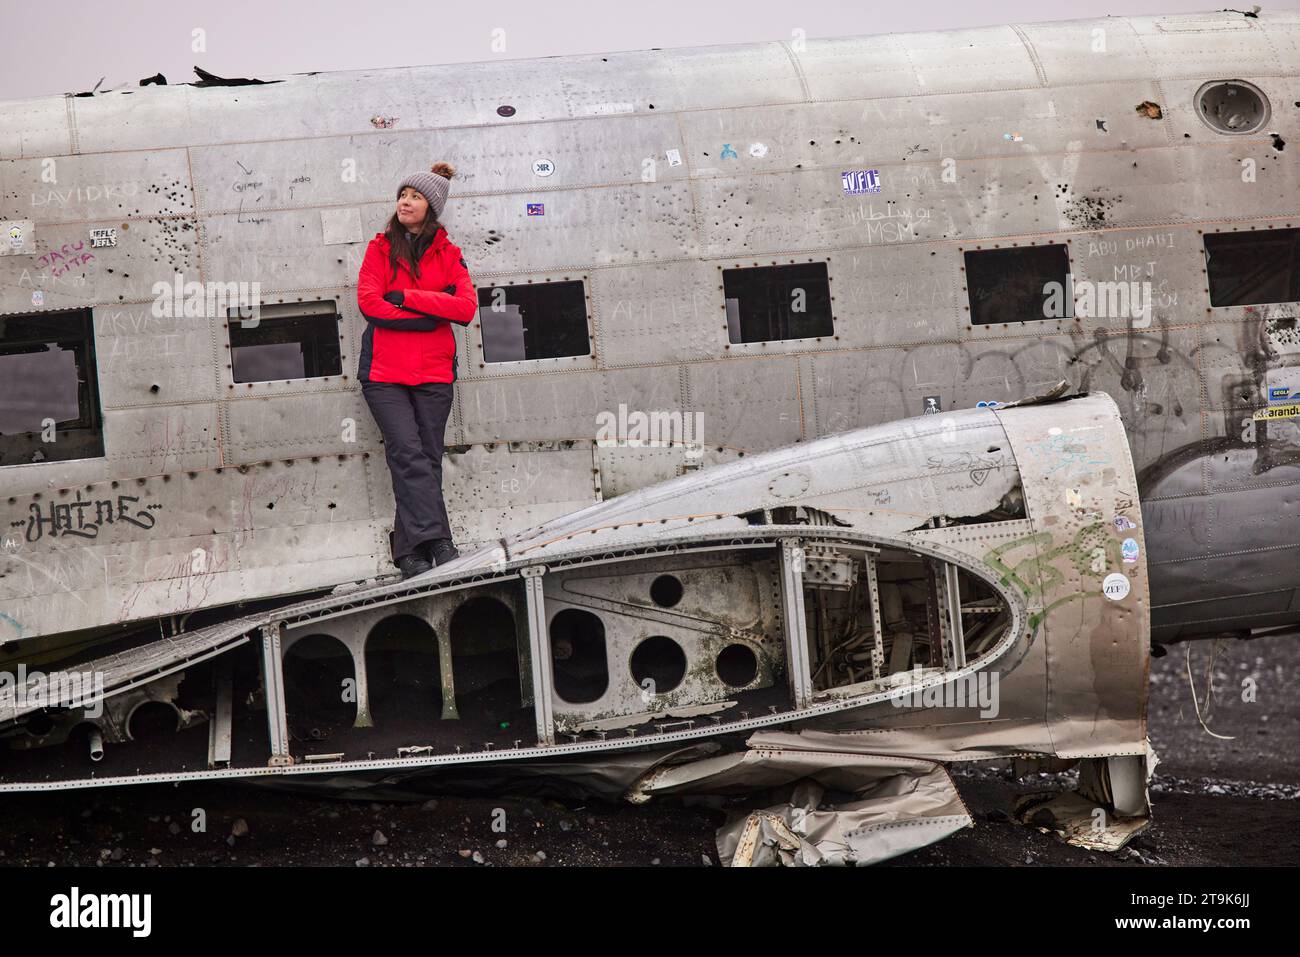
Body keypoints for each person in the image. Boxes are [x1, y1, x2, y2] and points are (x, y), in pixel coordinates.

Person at [356, 161, 478, 578]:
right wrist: (430, 310)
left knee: (425, 458)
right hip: (384, 374)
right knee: (407, 453)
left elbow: (464, 308)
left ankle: (407, 550)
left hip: (433, 373)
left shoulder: (450, 254)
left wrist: (407, 297)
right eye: (402, 195)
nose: (405, 202)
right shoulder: (379, 248)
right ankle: (439, 542)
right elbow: (370, 304)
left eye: (415, 196)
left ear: (432, 207)